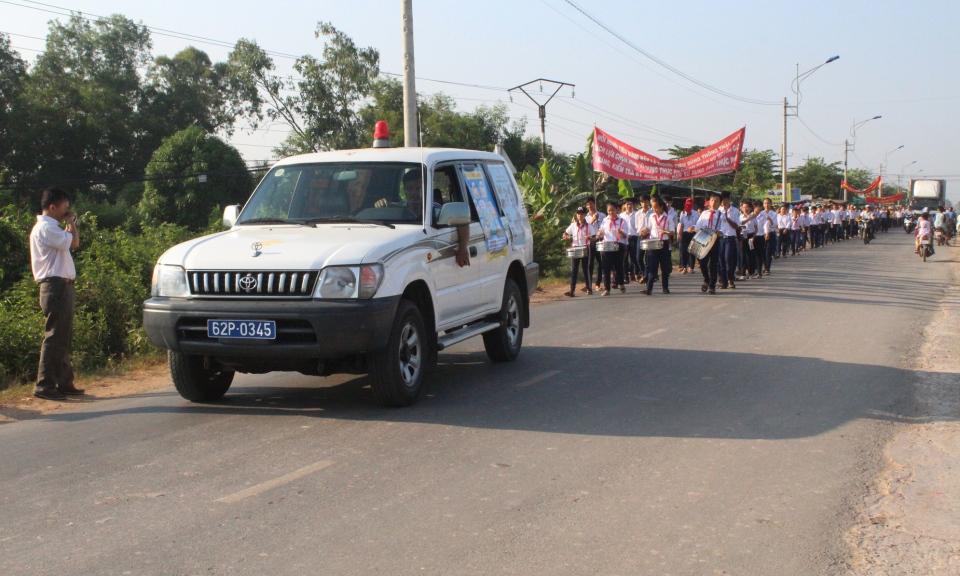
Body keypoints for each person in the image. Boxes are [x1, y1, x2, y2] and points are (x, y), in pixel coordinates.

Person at [30, 188, 83, 401]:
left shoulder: (52, 228)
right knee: (55, 337)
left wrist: (69, 224)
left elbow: (71, 240)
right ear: (52, 207)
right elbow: (74, 242)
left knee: (62, 336)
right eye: (65, 208)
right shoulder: (46, 228)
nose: (67, 212)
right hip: (55, 286)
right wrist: (71, 223)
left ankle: (64, 382)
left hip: (60, 286)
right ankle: (45, 385)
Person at [638, 195, 676, 295]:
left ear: (661, 207)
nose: (654, 210)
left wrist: (666, 232)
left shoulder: (668, 217)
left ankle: (665, 287)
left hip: (663, 243)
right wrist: (644, 231)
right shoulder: (652, 216)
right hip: (653, 243)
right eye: (653, 208)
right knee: (651, 266)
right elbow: (649, 227)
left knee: (664, 267)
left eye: (656, 208)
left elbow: (672, 231)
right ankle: (649, 288)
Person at [695, 192, 724, 294]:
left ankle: (712, 285)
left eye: (716, 201)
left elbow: (724, 228)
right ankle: (706, 279)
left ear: (720, 203)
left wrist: (720, 231)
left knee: (713, 263)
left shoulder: (722, 215)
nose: (713, 203)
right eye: (712, 200)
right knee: (702, 261)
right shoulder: (704, 213)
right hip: (704, 239)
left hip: (715, 240)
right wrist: (693, 229)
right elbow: (698, 225)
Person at [597, 201, 627, 296]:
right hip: (607, 246)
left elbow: (625, 235)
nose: (611, 212)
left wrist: (620, 233)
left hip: (618, 246)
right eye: (609, 210)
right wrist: (599, 233)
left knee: (618, 267)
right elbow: (600, 231)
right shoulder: (605, 220)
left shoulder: (622, 221)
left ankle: (621, 283)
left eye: (612, 210)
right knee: (606, 268)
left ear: (616, 210)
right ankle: (607, 289)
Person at [562, 207, 592, 297]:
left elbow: (594, 237)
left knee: (585, 269)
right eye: (578, 214)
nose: (579, 216)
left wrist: (590, 238)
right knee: (574, 270)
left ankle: (589, 288)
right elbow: (565, 233)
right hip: (575, 249)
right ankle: (572, 290)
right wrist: (565, 236)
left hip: (585, 248)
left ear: (585, 215)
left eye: (581, 214)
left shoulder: (589, 226)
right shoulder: (573, 225)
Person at [717, 191, 741, 289]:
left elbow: (736, 226)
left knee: (728, 259)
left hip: (730, 238)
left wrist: (727, 218)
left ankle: (731, 278)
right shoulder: (718, 211)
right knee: (721, 260)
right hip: (720, 238)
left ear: (729, 200)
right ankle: (723, 281)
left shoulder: (735, 211)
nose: (723, 202)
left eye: (725, 200)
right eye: (721, 200)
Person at [583, 197, 605, 293]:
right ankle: (588, 284)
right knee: (590, 263)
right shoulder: (586, 217)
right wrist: (593, 219)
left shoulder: (602, 215)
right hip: (591, 240)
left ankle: (598, 283)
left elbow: (605, 227)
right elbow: (586, 228)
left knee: (600, 262)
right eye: (588, 204)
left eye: (591, 204)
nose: (590, 206)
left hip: (600, 239)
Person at [620, 198, 641, 283]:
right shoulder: (621, 216)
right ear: (624, 205)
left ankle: (637, 273)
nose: (629, 206)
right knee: (624, 258)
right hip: (624, 238)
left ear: (633, 205)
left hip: (634, 237)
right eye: (627, 204)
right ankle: (626, 276)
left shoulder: (637, 214)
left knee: (634, 257)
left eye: (630, 204)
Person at [677, 198, 699, 274]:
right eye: (686, 210)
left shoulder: (696, 214)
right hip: (685, 233)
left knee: (692, 250)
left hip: (693, 233)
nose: (687, 212)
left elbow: (698, 225)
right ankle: (684, 267)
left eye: (688, 210)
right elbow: (681, 225)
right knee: (683, 250)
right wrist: (679, 235)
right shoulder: (682, 214)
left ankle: (691, 267)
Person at [737, 200, 758, 281]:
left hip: (750, 236)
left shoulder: (754, 218)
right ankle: (743, 273)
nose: (745, 209)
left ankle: (750, 272)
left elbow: (756, 229)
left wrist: (753, 237)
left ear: (751, 208)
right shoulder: (740, 217)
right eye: (744, 207)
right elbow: (740, 224)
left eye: (747, 207)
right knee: (742, 256)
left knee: (750, 255)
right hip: (742, 236)